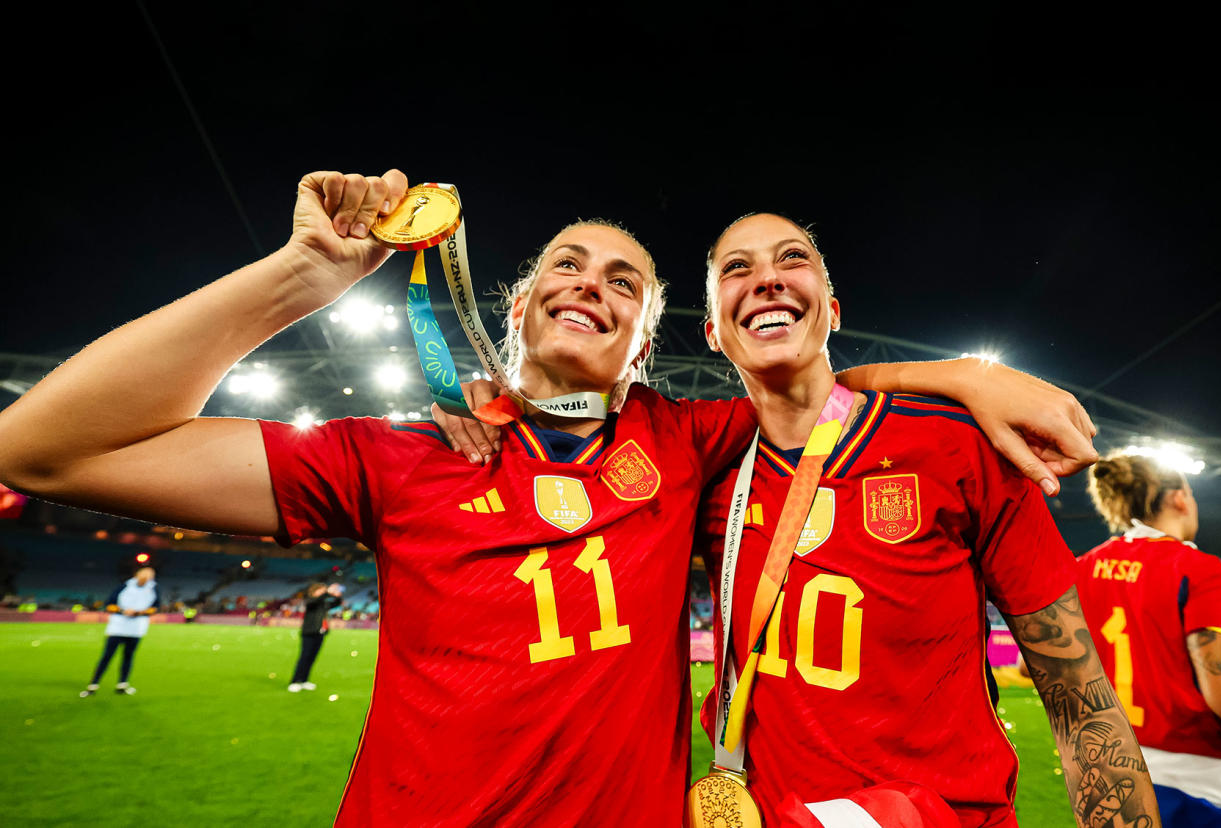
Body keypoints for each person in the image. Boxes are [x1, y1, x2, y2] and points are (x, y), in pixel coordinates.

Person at [0, 169, 1095, 826]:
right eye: (569, 267)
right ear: (518, 305)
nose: (594, 285)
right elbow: (43, 447)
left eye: (626, 282)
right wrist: (301, 276)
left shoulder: (690, 440)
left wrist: (967, 375)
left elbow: (809, 380)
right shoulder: (396, 453)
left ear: (649, 341)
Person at [692, 213, 1159, 827]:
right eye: (737, 267)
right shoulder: (705, 468)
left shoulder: (956, 445)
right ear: (713, 333)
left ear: (832, 311)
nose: (768, 280)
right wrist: (962, 372)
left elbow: (1080, 700)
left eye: (792, 258)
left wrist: (968, 375)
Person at [1078, 452, 1221, 826]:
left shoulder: (1080, 569)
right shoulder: (1204, 573)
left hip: (1105, 780)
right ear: (1180, 497)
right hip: (1204, 788)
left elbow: (1032, 665)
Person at [80, 566, 159, 696]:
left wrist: (140, 612)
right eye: (145, 574)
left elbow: (155, 608)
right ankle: (93, 684)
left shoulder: (154, 589)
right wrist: (123, 611)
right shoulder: (124, 586)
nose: (147, 577)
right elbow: (109, 604)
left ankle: (122, 684)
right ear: (137, 574)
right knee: (107, 656)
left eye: (150, 575)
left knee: (128, 656)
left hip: (137, 628)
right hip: (118, 626)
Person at [289, 582, 343, 692]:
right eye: (321, 590)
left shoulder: (323, 604)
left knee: (312, 658)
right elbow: (316, 600)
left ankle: (304, 680)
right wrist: (327, 592)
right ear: (314, 591)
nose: (323, 592)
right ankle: (295, 681)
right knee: (304, 657)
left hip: (320, 633)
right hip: (309, 633)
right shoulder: (310, 601)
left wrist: (337, 595)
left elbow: (337, 603)